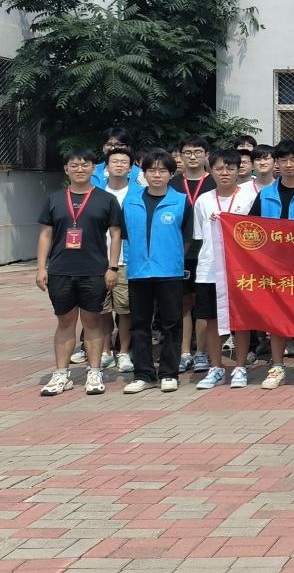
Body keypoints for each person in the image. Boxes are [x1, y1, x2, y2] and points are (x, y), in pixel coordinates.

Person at [36, 149, 123, 396]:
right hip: (60, 270)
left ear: (94, 169)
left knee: (92, 320)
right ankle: (61, 374)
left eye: (85, 165)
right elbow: (45, 234)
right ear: (66, 169)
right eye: (74, 165)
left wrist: (112, 267)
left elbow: (116, 234)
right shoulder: (54, 199)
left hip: (94, 270)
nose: (79, 169)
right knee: (65, 321)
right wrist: (41, 268)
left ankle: (94, 371)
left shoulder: (106, 199)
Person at [249, 139, 294, 386]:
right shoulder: (266, 194)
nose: (288, 164)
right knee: (275, 317)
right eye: (283, 160)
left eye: (293, 159)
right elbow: (251, 227)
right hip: (272, 266)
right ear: (276, 163)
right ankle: (277, 367)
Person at [121, 150, 194, 393]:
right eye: (151, 170)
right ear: (144, 173)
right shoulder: (130, 201)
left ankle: (169, 373)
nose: (156, 175)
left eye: (162, 170)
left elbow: (186, 238)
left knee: (171, 323)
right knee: (139, 323)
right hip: (138, 270)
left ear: (171, 174)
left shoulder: (181, 201)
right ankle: (143, 374)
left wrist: (172, 257)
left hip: (169, 271)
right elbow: (124, 235)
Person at [191, 149, 258, 390]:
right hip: (209, 269)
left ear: (239, 170)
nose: (225, 173)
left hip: (241, 270)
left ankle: (240, 367)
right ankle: (216, 367)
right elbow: (200, 235)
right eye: (219, 168)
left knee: (241, 320)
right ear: (210, 170)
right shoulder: (203, 200)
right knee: (211, 320)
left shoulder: (250, 197)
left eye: (230, 168)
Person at [171, 137, 211, 374]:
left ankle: (202, 352)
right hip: (180, 253)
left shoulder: (215, 182)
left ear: (206, 155)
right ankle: (185, 352)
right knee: (183, 303)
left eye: (198, 152)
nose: (193, 156)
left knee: (203, 304)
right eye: (187, 152)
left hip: (208, 254)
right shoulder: (173, 183)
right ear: (180, 156)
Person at [101, 148, 135, 373]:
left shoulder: (138, 194)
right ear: (106, 167)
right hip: (99, 260)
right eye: (115, 161)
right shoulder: (96, 193)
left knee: (125, 309)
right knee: (102, 309)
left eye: (124, 162)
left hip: (127, 260)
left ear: (131, 168)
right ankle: (105, 352)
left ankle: (123, 352)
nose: (120, 165)